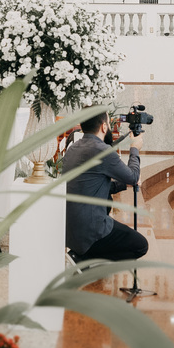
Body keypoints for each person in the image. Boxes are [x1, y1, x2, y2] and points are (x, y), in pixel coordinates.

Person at [64, 108, 147, 261]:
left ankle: (80, 255)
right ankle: (83, 258)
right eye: (108, 123)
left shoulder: (73, 148)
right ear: (103, 127)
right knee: (141, 245)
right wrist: (134, 148)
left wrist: (123, 184)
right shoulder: (102, 151)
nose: (109, 126)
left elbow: (89, 185)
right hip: (91, 229)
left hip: (70, 229)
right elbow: (133, 176)